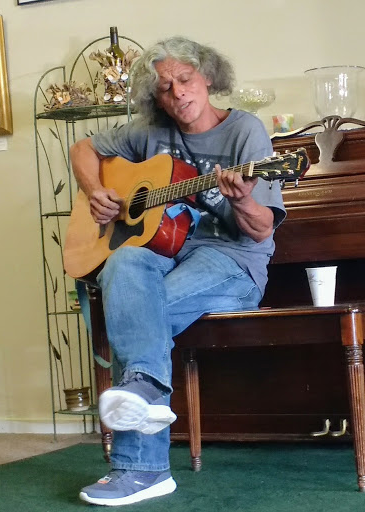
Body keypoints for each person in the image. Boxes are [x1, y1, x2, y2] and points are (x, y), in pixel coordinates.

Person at [70, 35, 286, 507]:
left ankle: (139, 468)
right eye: (164, 88)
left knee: (137, 316)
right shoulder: (149, 133)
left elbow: (261, 230)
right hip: (165, 253)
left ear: (207, 77)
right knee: (123, 261)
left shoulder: (245, 132)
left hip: (230, 262)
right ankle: (145, 410)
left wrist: (241, 199)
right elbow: (83, 147)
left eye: (185, 79)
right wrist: (94, 191)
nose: (178, 93)